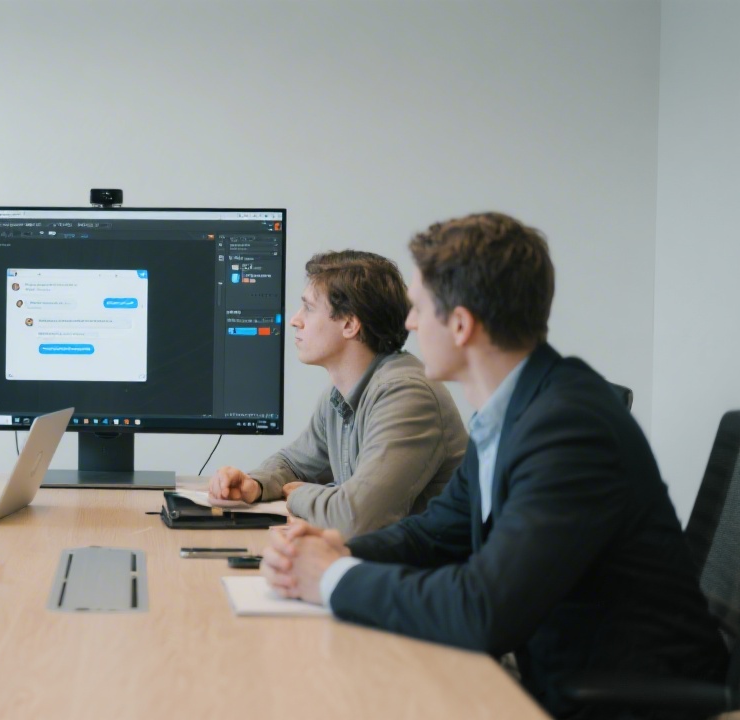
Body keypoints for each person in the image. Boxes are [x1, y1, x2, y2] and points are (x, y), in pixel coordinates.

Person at [261, 213, 727, 718]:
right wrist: (341, 547)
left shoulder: (569, 426)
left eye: (419, 309)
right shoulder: (515, 408)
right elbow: (436, 534)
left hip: (612, 699)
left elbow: (483, 610)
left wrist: (332, 579)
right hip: (548, 674)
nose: (409, 325)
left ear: (461, 325)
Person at [208, 250, 466, 538]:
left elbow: (356, 517)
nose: (295, 320)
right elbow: (295, 464)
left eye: (308, 308)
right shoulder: (340, 394)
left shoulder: (407, 395)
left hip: (422, 576)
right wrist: (254, 484)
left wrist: (301, 495)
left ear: (349, 324)